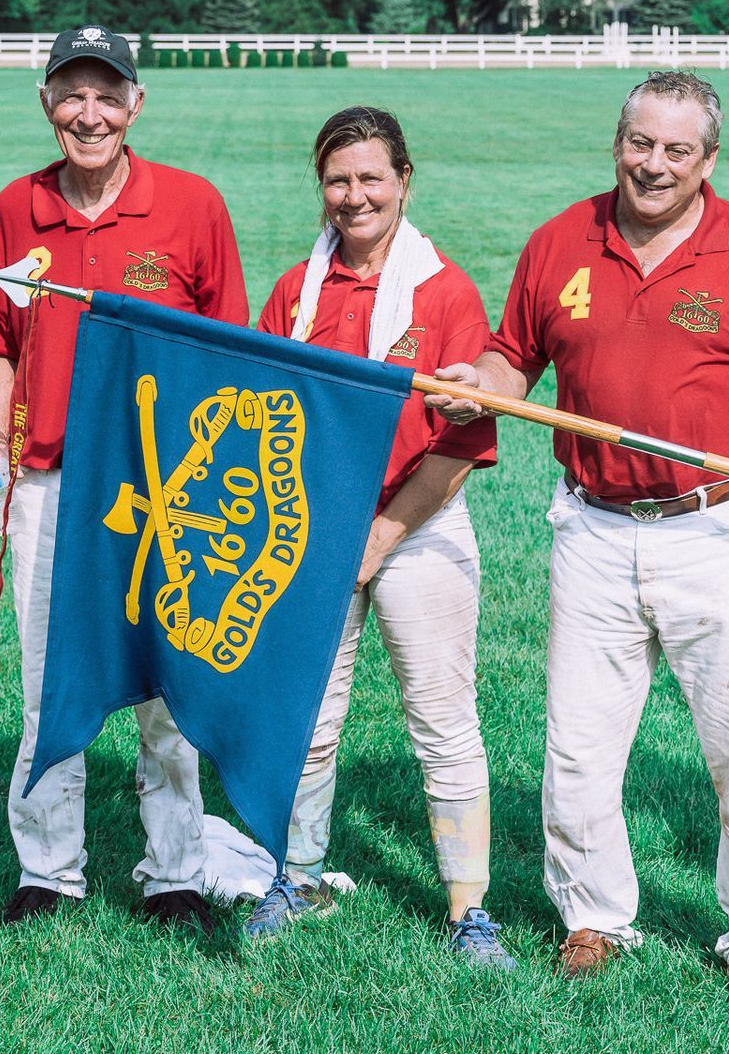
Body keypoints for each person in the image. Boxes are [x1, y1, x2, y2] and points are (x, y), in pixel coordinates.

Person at [427, 71, 729, 998]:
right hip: (592, 526)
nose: (652, 165)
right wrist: (484, 385)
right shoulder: (561, 241)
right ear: (615, 142)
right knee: (580, 747)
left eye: (676, 150)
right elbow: (516, 357)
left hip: (722, 528)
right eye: (639, 143)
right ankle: (594, 917)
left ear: (709, 160)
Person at [0, 26, 250, 930]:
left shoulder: (193, 205)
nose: (88, 114)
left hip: (165, 493)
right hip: (49, 486)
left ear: (135, 104)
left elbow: (229, 353)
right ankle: (48, 869)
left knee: (168, 683)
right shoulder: (16, 209)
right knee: (52, 684)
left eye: (106, 95)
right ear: (47, 102)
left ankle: (172, 872)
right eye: (70, 94)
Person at [244, 106, 509, 965]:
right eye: (337, 180)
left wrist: (383, 537)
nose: (353, 197)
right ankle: (299, 875)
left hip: (421, 522)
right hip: (309, 525)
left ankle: (469, 910)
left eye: (370, 178)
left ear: (404, 181)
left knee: (440, 717)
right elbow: (262, 412)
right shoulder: (296, 288)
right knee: (309, 715)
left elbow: (461, 445)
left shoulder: (445, 291)